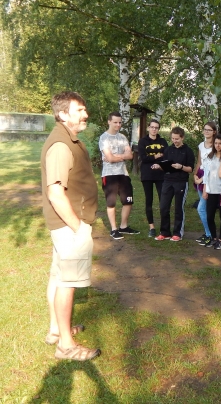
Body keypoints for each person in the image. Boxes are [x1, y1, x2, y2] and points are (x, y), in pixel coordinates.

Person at [41, 91, 100, 360]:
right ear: (63, 114)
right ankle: (65, 345)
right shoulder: (61, 145)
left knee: (58, 276)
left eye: (85, 109)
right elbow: (55, 192)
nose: (85, 114)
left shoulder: (69, 139)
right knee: (67, 282)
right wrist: (78, 227)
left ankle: (56, 329)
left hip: (66, 225)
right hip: (69, 225)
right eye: (79, 110)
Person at [98, 111, 139, 240]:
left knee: (128, 201)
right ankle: (114, 229)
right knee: (111, 202)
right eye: (115, 122)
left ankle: (123, 226)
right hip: (109, 174)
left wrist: (117, 157)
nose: (118, 125)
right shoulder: (104, 138)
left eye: (120, 122)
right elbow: (109, 158)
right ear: (109, 121)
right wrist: (121, 157)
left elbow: (130, 156)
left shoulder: (122, 137)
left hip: (123, 173)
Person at [153, 127, 195, 241]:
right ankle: (165, 232)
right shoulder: (168, 150)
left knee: (178, 208)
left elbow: (190, 169)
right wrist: (159, 166)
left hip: (181, 182)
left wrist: (181, 167)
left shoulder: (188, 151)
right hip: (167, 181)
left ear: (182, 138)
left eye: (177, 139)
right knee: (163, 207)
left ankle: (177, 233)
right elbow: (165, 165)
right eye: (172, 138)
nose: (174, 141)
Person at [137, 119, 168, 238]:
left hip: (160, 174)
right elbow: (143, 158)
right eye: (152, 127)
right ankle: (152, 227)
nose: (154, 129)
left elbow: (166, 155)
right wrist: (157, 155)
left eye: (156, 127)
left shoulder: (163, 141)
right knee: (149, 200)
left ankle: (164, 228)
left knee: (163, 201)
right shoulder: (143, 141)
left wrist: (157, 160)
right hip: (147, 174)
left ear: (158, 129)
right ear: (148, 128)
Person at [200, 134, 221, 249]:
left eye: (220, 143)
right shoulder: (209, 157)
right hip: (211, 190)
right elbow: (206, 175)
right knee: (209, 216)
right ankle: (213, 238)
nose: (217, 145)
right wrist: (205, 189)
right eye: (216, 143)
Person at [194, 122, 218, 245]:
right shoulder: (201, 145)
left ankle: (210, 234)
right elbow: (199, 162)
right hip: (200, 175)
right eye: (205, 129)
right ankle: (208, 232)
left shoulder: (216, 146)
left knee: (201, 208)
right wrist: (195, 175)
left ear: (214, 131)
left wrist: (202, 179)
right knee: (204, 209)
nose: (206, 131)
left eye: (209, 130)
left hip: (210, 178)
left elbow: (214, 167)